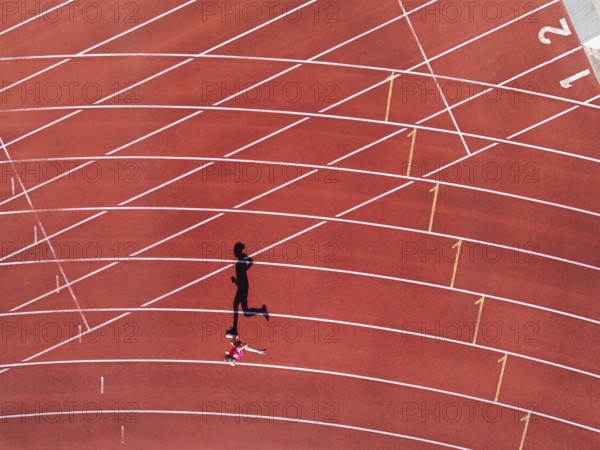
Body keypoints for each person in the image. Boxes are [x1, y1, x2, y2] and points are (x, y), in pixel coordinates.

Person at [225, 242, 269, 338]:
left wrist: (245, 269)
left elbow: (251, 261)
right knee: (245, 312)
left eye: (234, 250)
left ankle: (235, 329)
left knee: (235, 304)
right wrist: (236, 281)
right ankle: (261, 310)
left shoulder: (242, 256)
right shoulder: (241, 259)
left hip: (243, 286)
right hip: (243, 286)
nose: (234, 252)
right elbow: (242, 278)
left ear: (238, 250)